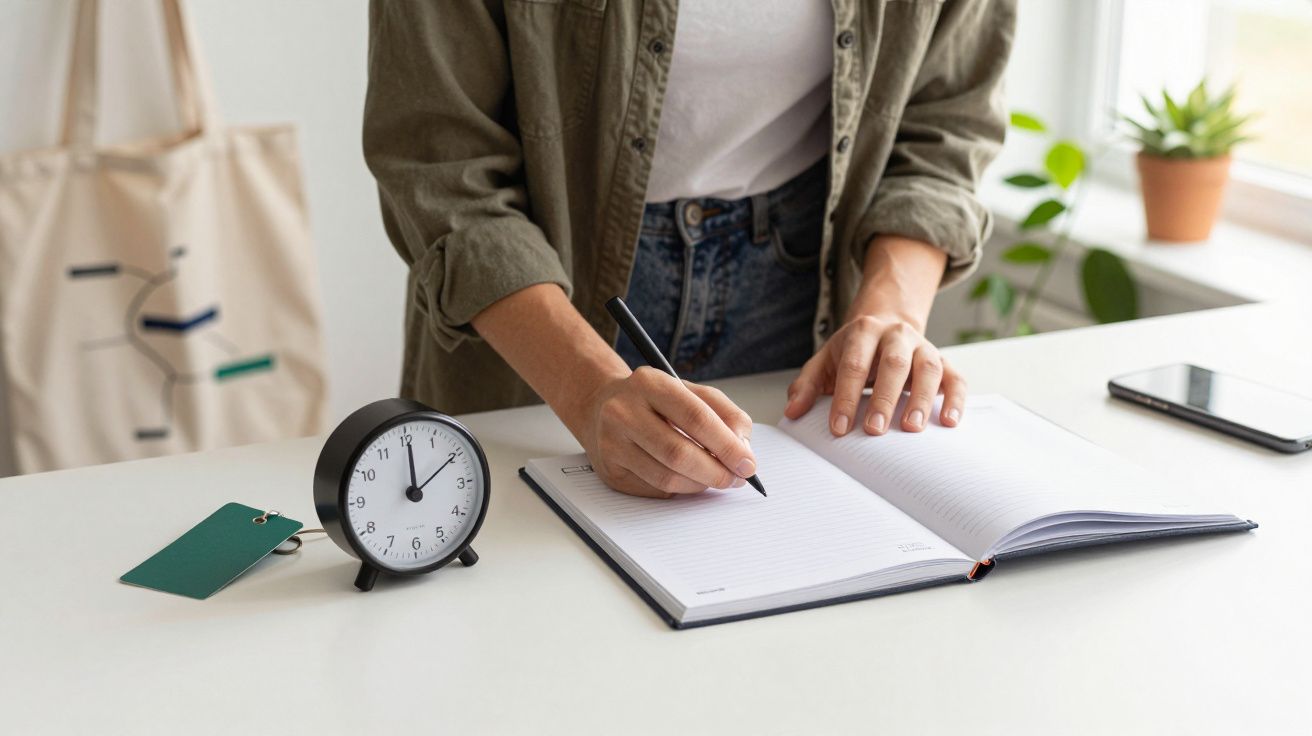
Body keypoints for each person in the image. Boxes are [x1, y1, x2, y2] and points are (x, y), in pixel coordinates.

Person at [363, 0, 1015, 498]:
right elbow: (441, 162)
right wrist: (588, 388)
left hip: (807, 299)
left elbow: (947, 123)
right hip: (539, 312)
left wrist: (890, 317)